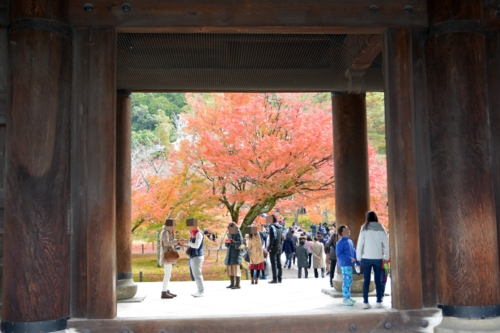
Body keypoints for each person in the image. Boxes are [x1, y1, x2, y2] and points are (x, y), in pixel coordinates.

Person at [356, 211, 389, 309]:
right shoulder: (381, 228)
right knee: (378, 281)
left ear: (367, 218)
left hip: (366, 258)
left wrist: (358, 258)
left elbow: (359, 244)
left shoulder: (364, 228)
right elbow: (386, 244)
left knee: (366, 280)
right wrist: (386, 257)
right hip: (378, 258)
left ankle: (366, 302)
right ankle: (378, 301)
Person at [159, 219, 185, 299]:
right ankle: (163, 292)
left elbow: (170, 243)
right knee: (167, 275)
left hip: (169, 254)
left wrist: (179, 244)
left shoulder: (168, 232)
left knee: (168, 275)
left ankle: (166, 290)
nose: (174, 227)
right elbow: (166, 243)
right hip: (166, 255)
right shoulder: (164, 232)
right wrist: (177, 241)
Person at [336, 225, 359, 306]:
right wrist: (350, 259)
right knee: (346, 281)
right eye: (346, 230)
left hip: (349, 263)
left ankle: (348, 297)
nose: (348, 231)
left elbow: (354, 251)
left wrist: (357, 261)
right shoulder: (340, 242)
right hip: (345, 264)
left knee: (349, 281)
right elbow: (339, 254)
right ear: (342, 232)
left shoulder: (349, 241)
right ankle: (345, 298)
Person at [186, 224, 205, 297]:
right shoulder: (193, 233)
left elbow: (197, 245)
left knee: (198, 275)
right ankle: (199, 290)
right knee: (195, 275)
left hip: (197, 256)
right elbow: (192, 245)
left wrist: (188, 242)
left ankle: (201, 291)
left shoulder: (198, 233)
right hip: (193, 256)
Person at [224, 222, 244, 289]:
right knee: (230, 269)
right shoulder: (230, 233)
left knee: (236, 269)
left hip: (236, 253)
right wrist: (227, 242)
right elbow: (227, 244)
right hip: (230, 252)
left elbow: (240, 242)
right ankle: (232, 283)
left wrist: (232, 242)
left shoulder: (238, 232)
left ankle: (237, 284)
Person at [267, 215, 283, 283]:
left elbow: (272, 238)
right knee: (279, 262)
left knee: (274, 263)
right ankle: (280, 278)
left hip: (274, 247)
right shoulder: (279, 226)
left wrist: (269, 247)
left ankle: (274, 279)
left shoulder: (272, 227)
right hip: (279, 246)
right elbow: (282, 237)